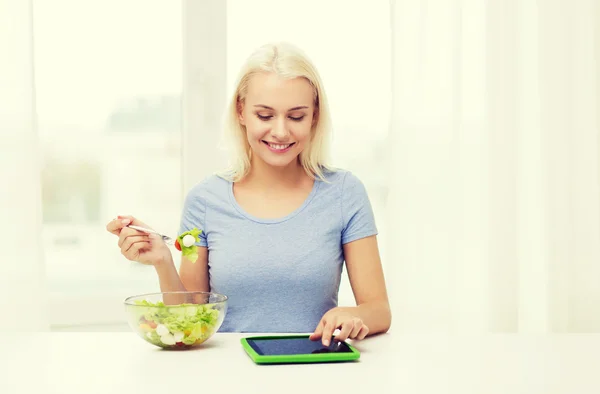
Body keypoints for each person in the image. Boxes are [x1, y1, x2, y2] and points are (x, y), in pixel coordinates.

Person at [106, 42, 391, 346]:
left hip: (313, 370)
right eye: (265, 115)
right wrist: (163, 260)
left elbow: (379, 310)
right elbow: (187, 320)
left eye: (296, 116)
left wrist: (353, 316)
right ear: (241, 112)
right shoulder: (204, 201)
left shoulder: (344, 193)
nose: (281, 132)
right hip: (228, 375)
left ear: (314, 116)